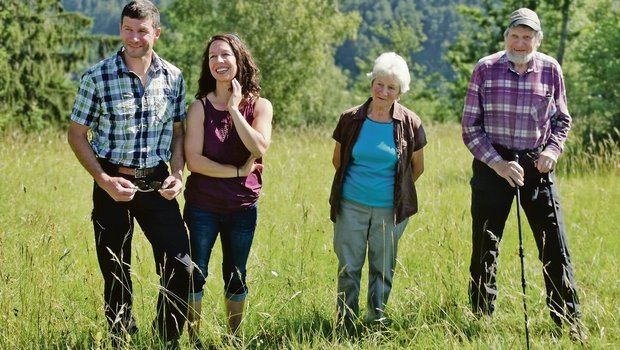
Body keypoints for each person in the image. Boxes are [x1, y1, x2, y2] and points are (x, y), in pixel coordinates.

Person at [67, 0, 191, 347]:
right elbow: (77, 134)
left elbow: (179, 132)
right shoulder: (97, 76)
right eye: (127, 29)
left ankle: (167, 338)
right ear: (121, 29)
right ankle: (122, 338)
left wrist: (178, 174)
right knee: (115, 270)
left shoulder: (173, 77)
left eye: (142, 31)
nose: (134, 38)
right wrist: (103, 180)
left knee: (181, 266)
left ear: (157, 32)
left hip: (157, 182)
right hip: (112, 181)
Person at [461, 8, 585, 341]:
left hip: (536, 163)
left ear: (537, 39)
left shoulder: (550, 69)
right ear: (506, 38)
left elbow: (562, 120)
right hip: (493, 164)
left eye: (527, 37)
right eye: (515, 36)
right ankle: (481, 318)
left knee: (554, 246)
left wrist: (551, 151)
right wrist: (497, 164)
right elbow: (470, 127)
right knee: (486, 243)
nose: (520, 42)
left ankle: (568, 321)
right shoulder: (485, 69)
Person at [183, 33, 273, 345]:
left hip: (242, 207)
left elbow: (259, 145)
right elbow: (194, 161)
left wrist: (234, 109)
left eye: (225, 55)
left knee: (236, 275)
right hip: (202, 207)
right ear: (207, 66)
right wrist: (236, 170)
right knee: (196, 273)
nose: (219, 61)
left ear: (239, 59)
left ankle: (234, 339)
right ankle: (193, 339)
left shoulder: (260, 106)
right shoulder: (198, 109)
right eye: (212, 57)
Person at [329, 52, 426, 329]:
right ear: (372, 82)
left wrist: (391, 192)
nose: (383, 91)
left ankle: (376, 322)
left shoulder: (410, 123)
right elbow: (338, 161)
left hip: (390, 210)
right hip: (351, 206)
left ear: (400, 92)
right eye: (379, 84)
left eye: (391, 87)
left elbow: (416, 168)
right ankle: (345, 322)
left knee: (382, 269)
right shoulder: (350, 119)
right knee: (349, 267)